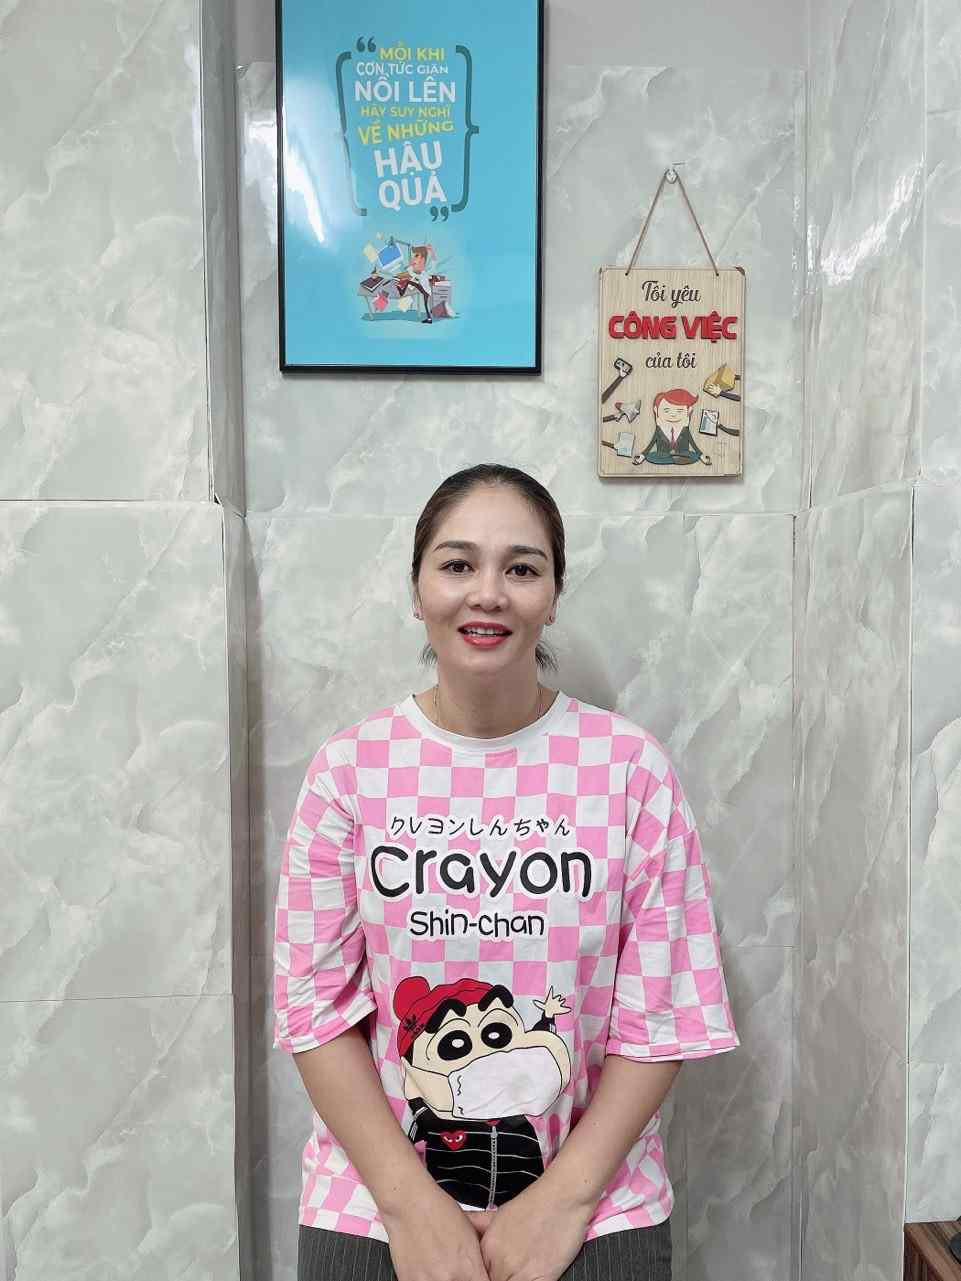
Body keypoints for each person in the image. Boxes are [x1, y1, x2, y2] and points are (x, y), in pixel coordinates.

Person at [273, 463, 740, 1281]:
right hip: (374, 1198)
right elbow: (315, 1009)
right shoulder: (349, 771)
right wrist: (408, 1205)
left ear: (553, 595)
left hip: (596, 1200)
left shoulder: (628, 769)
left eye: (521, 568)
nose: (487, 593)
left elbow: (661, 1013)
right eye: (457, 564)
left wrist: (561, 1201)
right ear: (416, 589)